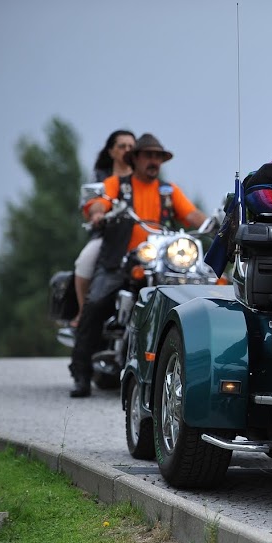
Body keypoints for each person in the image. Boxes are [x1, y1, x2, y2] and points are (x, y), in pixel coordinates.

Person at [69, 133, 207, 397]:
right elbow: (98, 202)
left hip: (160, 263)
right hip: (120, 260)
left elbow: (192, 214)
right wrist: (98, 213)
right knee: (96, 302)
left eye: (158, 156)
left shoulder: (169, 191)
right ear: (135, 159)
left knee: (197, 294)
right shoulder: (116, 185)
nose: (154, 161)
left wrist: (218, 223)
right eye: (149, 156)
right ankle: (81, 373)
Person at [70, 130, 136, 328]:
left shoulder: (142, 178)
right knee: (84, 262)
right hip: (109, 236)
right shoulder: (102, 178)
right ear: (111, 151)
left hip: (141, 238)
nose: (127, 150)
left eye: (131, 147)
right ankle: (84, 313)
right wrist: (97, 214)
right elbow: (92, 204)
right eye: (122, 146)